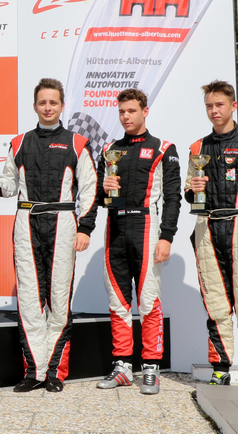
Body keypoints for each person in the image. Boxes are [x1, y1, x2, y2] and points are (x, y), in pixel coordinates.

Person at [0, 78, 98, 393]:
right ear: (34, 106)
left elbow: (90, 189)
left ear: (61, 106)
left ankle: (55, 371)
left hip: (63, 222)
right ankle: (34, 371)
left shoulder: (77, 143)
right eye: (42, 102)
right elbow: (8, 188)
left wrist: (85, 227)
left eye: (53, 102)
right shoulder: (19, 143)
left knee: (58, 301)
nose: (47, 107)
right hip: (26, 222)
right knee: (30, 302)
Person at [185, 80, 238, 388]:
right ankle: (220, 367)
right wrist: (193, 190)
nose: (214, 111)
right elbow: (190, 194)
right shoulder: (197, 148)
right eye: (209, 106)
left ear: (233, 106)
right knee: (216, 304)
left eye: (219, 104)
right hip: (207, 229)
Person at [95, 88, 181, 395]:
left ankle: (150, 368)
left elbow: (173, 197)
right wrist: (104, 189)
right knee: (117, 302)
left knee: (148, 301)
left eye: (131, 111)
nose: (125, 116)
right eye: (121, 111)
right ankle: (122, 367)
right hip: (115, 227)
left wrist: (167, 237)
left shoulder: (163, 148)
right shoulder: (109, 150)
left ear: (145, 111)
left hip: (147, 226)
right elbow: (99, 199)